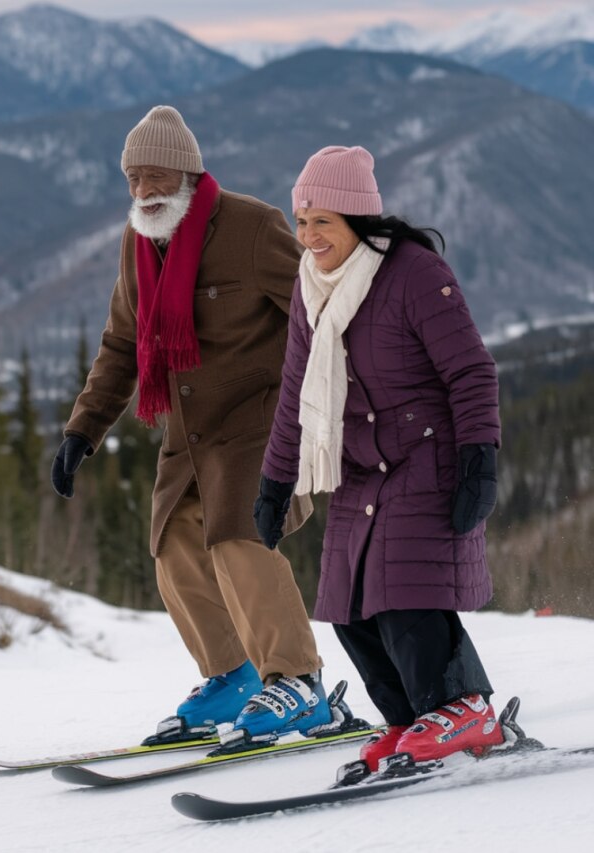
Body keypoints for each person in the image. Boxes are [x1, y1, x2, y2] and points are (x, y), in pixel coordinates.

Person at [51, 106, 336, 749]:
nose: (143, 193)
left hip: (262, 418)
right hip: (191, 435)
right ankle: (232, 675)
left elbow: (321, 313)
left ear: (186, 175)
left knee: (239, 535)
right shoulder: (140, 244)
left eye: (155, 178)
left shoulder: (251, 227)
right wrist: (83, 430)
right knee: (174, 548)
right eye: (132, 180)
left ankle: (299, 682)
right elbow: (124, 343)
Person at [253, 144, 503, 772]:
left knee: (404, 593)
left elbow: (471, 370)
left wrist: (480, 457)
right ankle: (410, 718)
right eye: (301, 222)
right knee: (347, 605)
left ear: (358, 221)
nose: (309, 237)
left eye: (323, 223)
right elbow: (295, 393)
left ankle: (465, 707)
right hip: (359, 467)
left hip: (428, 459)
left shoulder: (412, 273)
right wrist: (275, 482)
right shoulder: (310, 287)